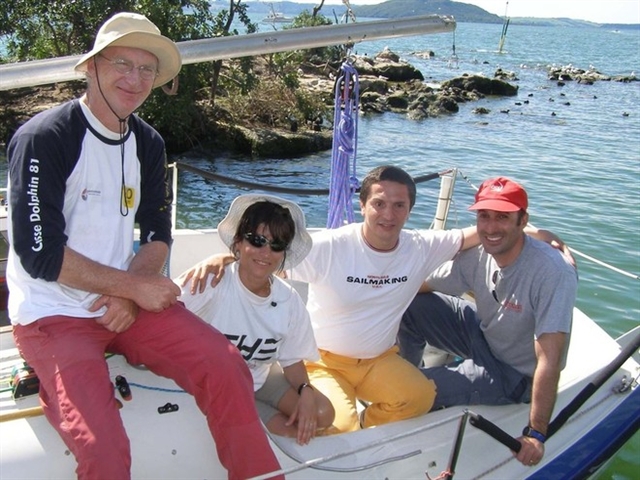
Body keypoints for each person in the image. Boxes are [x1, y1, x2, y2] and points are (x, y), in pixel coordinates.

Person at [6, 12, 281, 480]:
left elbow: (157, 232)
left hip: (124, 301)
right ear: (92, 67)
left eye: (146, 69)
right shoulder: (44, 138)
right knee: (104, 450)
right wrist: (133, 288)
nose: (134, 80)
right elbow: (40, 254)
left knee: (225, 364)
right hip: (53, 313)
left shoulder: (148, 144)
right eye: (121, 64)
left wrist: (131, 291)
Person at [397, 176, 578, 467]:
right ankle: (402, 370)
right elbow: (421, 286)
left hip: (514, 375)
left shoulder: (552, 272)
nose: (491, 228)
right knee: (411, 305)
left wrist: (536, 434)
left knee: (406, 394)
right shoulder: (479, 253)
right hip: (483, 335)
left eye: (503, 217)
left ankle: (408, 395)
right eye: (484, 216)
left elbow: (550, 358)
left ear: (522, 221)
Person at [177, 194, 335, 445]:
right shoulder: (211, 280)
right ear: (238, 242)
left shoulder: (288, 300)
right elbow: (163, 312)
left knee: (323, 414)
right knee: (289, 434)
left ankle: (257, 411)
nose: (266, 252)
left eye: (277, 244)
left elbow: (292, 359)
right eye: (257, 240)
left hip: (259, 378)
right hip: (218, 385)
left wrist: (305, 391)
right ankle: (253, 415)